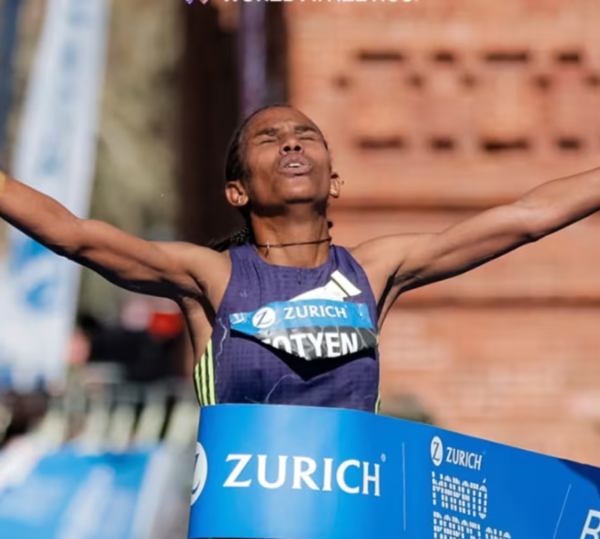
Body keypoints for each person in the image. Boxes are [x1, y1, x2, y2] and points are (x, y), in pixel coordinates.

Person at [1, 104, 599, 413]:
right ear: (237, 191)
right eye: (269, 138)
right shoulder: (210, 276)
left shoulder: (374, 271)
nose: (290, 141)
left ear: (333, 179)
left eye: (305, 135)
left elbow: (525, 218)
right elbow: (73, 235)